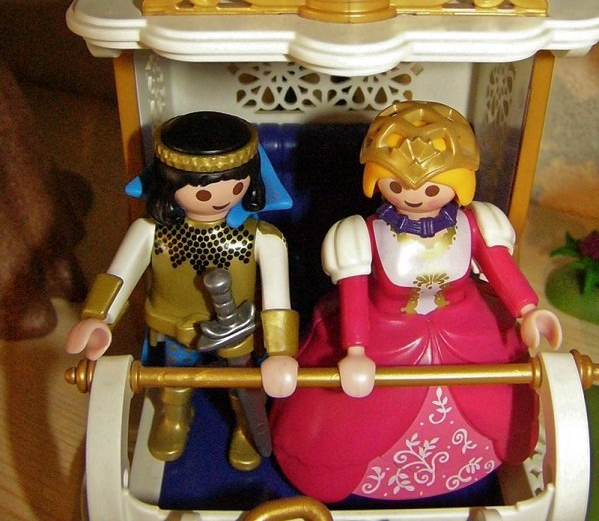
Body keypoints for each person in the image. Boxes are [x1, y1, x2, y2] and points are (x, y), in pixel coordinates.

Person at [270, 101, 561, 504]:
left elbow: (501, 269)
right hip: (383, 329)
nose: (414, 197)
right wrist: (356, 351)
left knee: (499, 397)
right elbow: (354, 295)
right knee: (349, 416)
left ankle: (487, 455)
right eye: (397, 185)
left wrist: (528, 310)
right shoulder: (361, 234)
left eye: (430, 188)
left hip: (468, 324)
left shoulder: (476, 223)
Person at [67, 111, 298, 470]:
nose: (218, 198)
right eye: (202, 190)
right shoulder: (151, 232)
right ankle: (175, 416)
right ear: (169, 183)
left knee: (242, 384)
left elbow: (278, 300)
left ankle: (246, 424)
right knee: (175, 379)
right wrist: (98, 317)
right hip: (175, 326)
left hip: (238, 331)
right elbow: (120, 277)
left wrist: (281, 351)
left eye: (235, 185)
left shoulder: (263, 239)